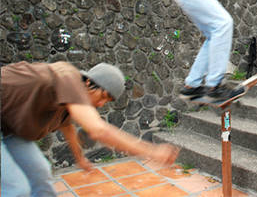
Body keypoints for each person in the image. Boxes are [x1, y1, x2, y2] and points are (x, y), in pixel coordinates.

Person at [1, 61, 179, 197]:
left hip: (9, 128)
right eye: (103, 96)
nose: (101, 104)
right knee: (17, 188)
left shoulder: (70, 100)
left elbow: (67, 126)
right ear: (88, 83)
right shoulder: (68, 77)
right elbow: (99, 130)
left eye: (107, 102)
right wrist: (152, 151)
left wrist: (80, 158)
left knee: (41, 173)